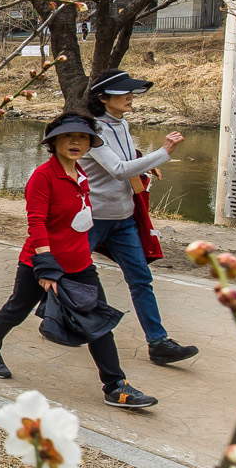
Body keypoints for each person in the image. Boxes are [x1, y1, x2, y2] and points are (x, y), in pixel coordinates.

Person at [0, 112, 159, 409]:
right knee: (17, 309)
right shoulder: (43, 177)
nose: (76, 142)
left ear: (90, 144)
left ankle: (116, 386)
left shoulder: (82, 174)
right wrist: (45, 265)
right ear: (54, 141)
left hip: (80, 264)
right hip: (41, 262)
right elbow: (36, 222)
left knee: (98, 324)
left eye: (83, 137)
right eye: (68, 137)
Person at [83, 67, 199, 367]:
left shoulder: (121, 124)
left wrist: (144, 163)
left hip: (123, 217)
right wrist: (163, 153)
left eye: (131, 92)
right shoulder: (92, 130)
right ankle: (49, 314)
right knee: (68, 273)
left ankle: (158, 343)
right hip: (94, 218)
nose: (130, 97)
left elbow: (126, 157)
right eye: (123, 93)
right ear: (103, 97)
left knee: (140, 278)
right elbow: (118, 169)